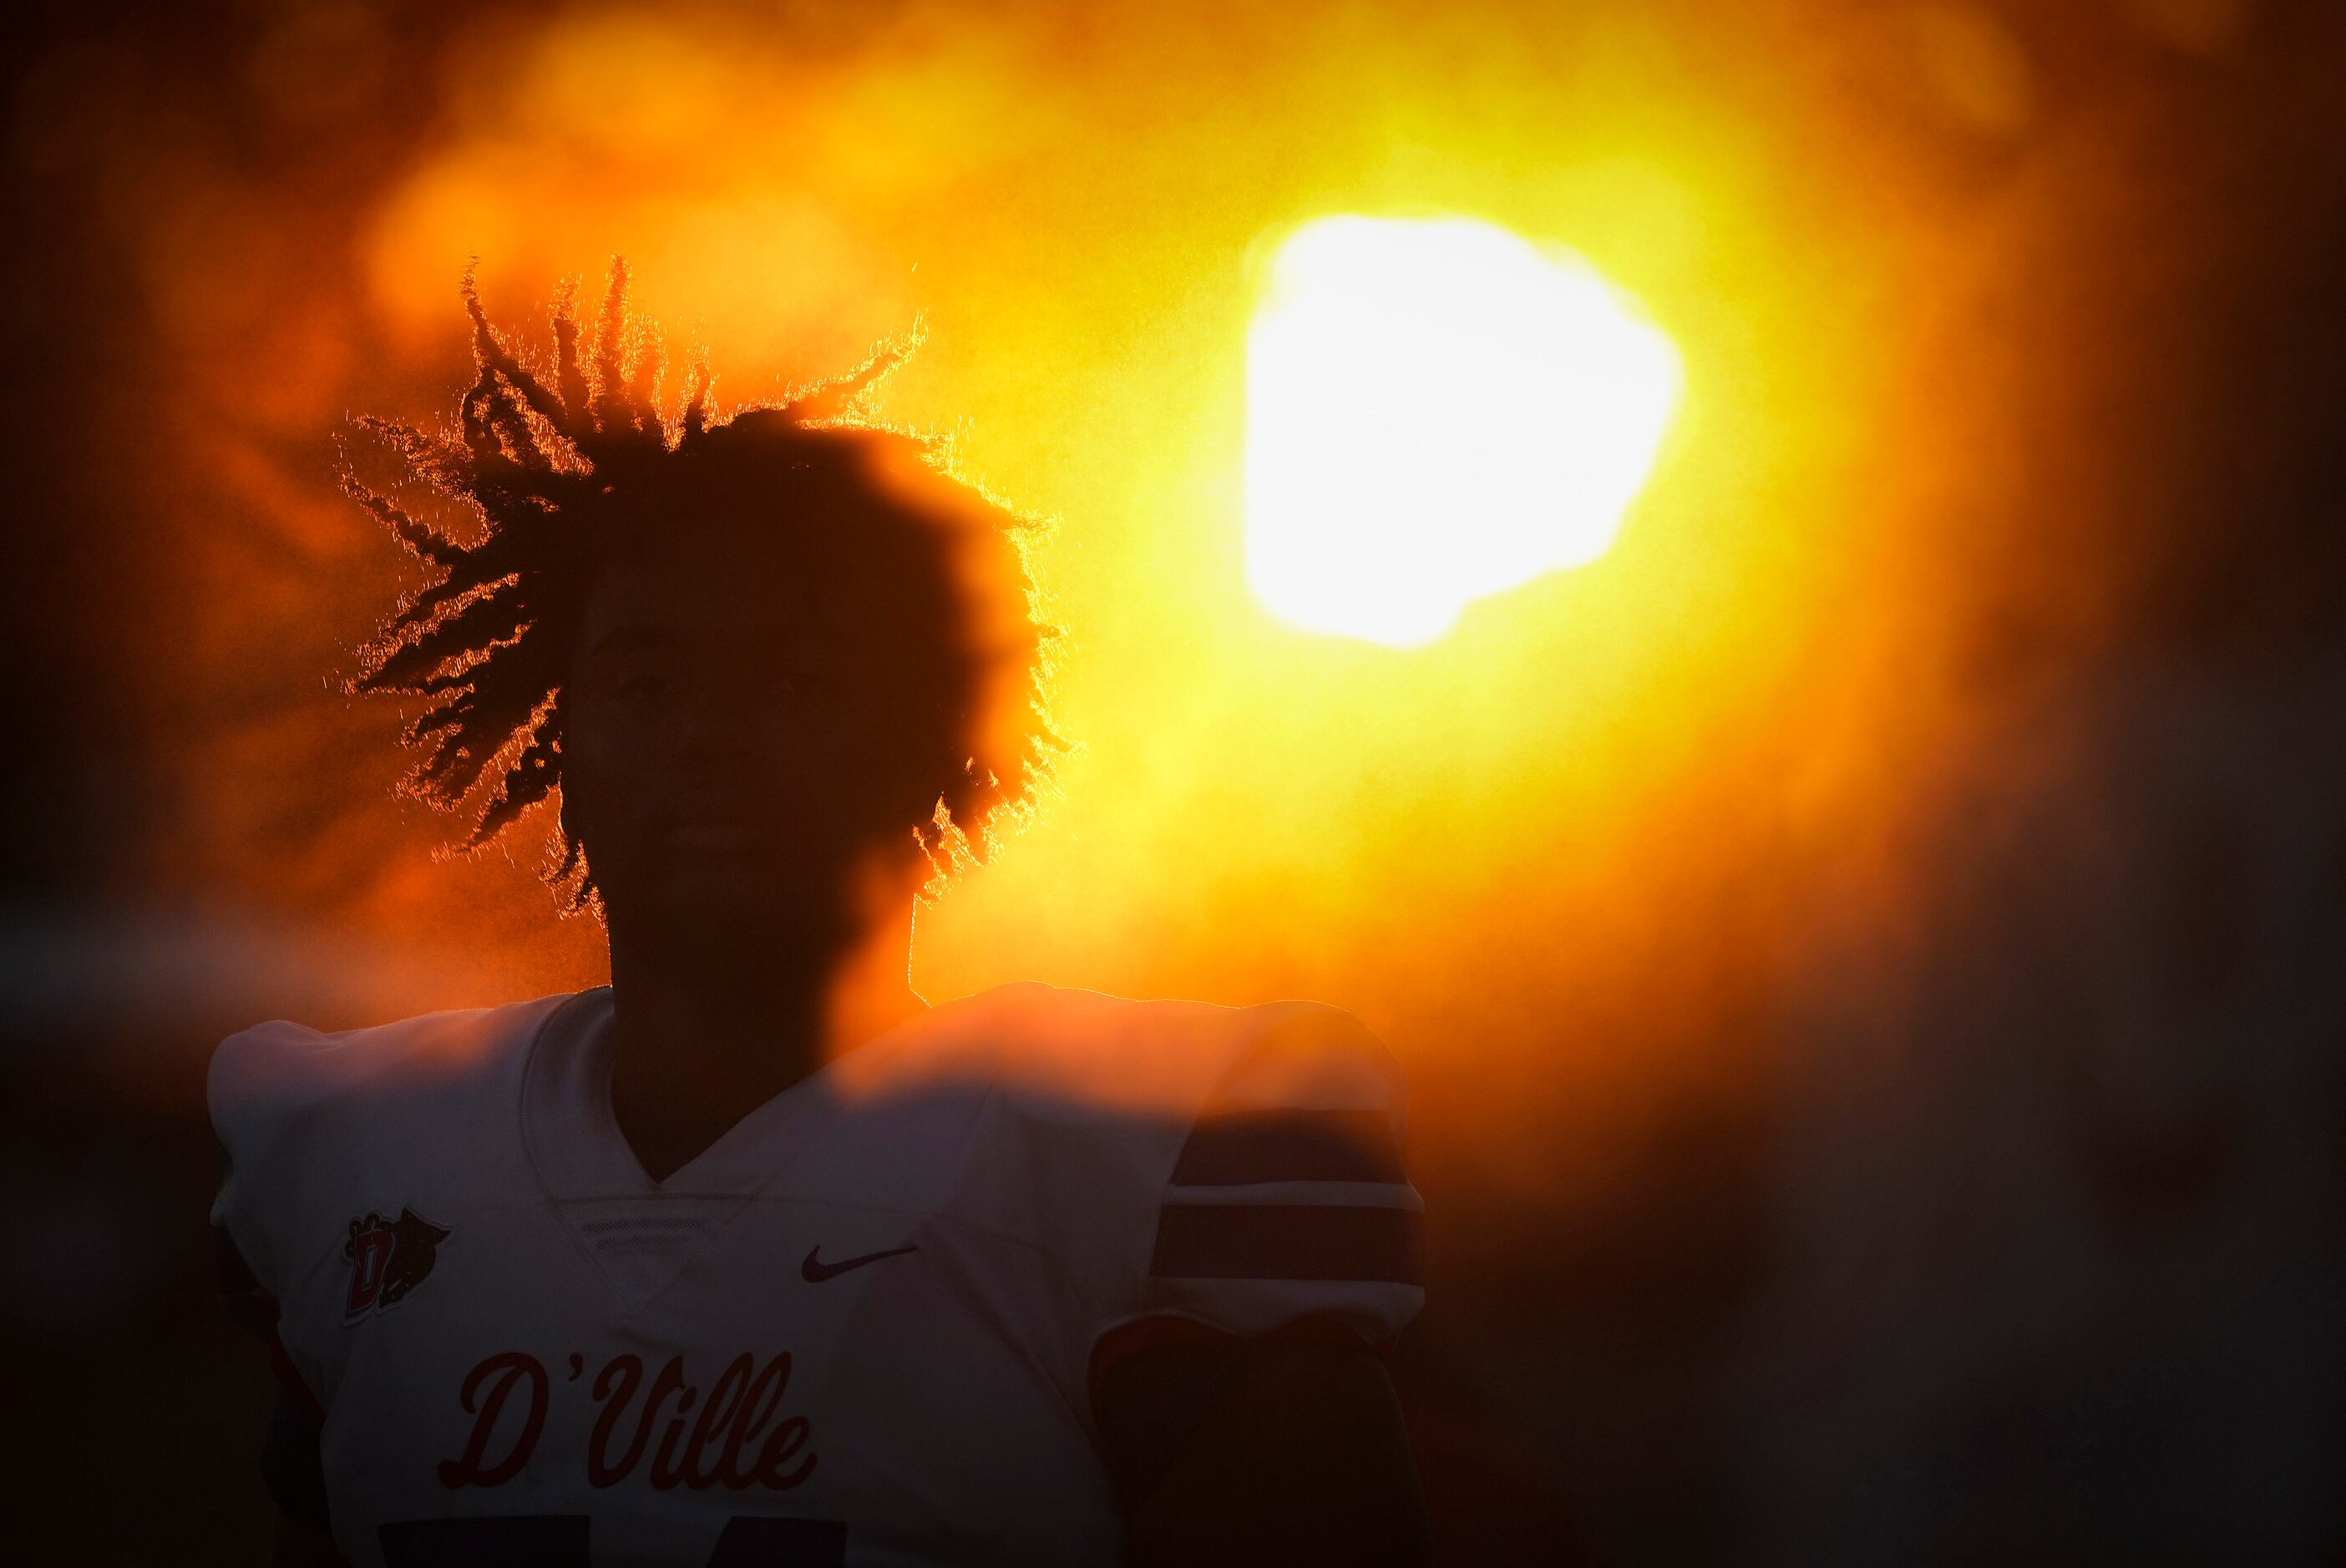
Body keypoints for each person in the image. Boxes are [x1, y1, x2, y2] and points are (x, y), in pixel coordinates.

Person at [209, 266, 1431, 1567]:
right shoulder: (368, 1151)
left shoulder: (1143, 1162)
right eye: (643, 678)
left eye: (792, 677)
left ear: (932, 740)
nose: (706, 737)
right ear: (566, 739)